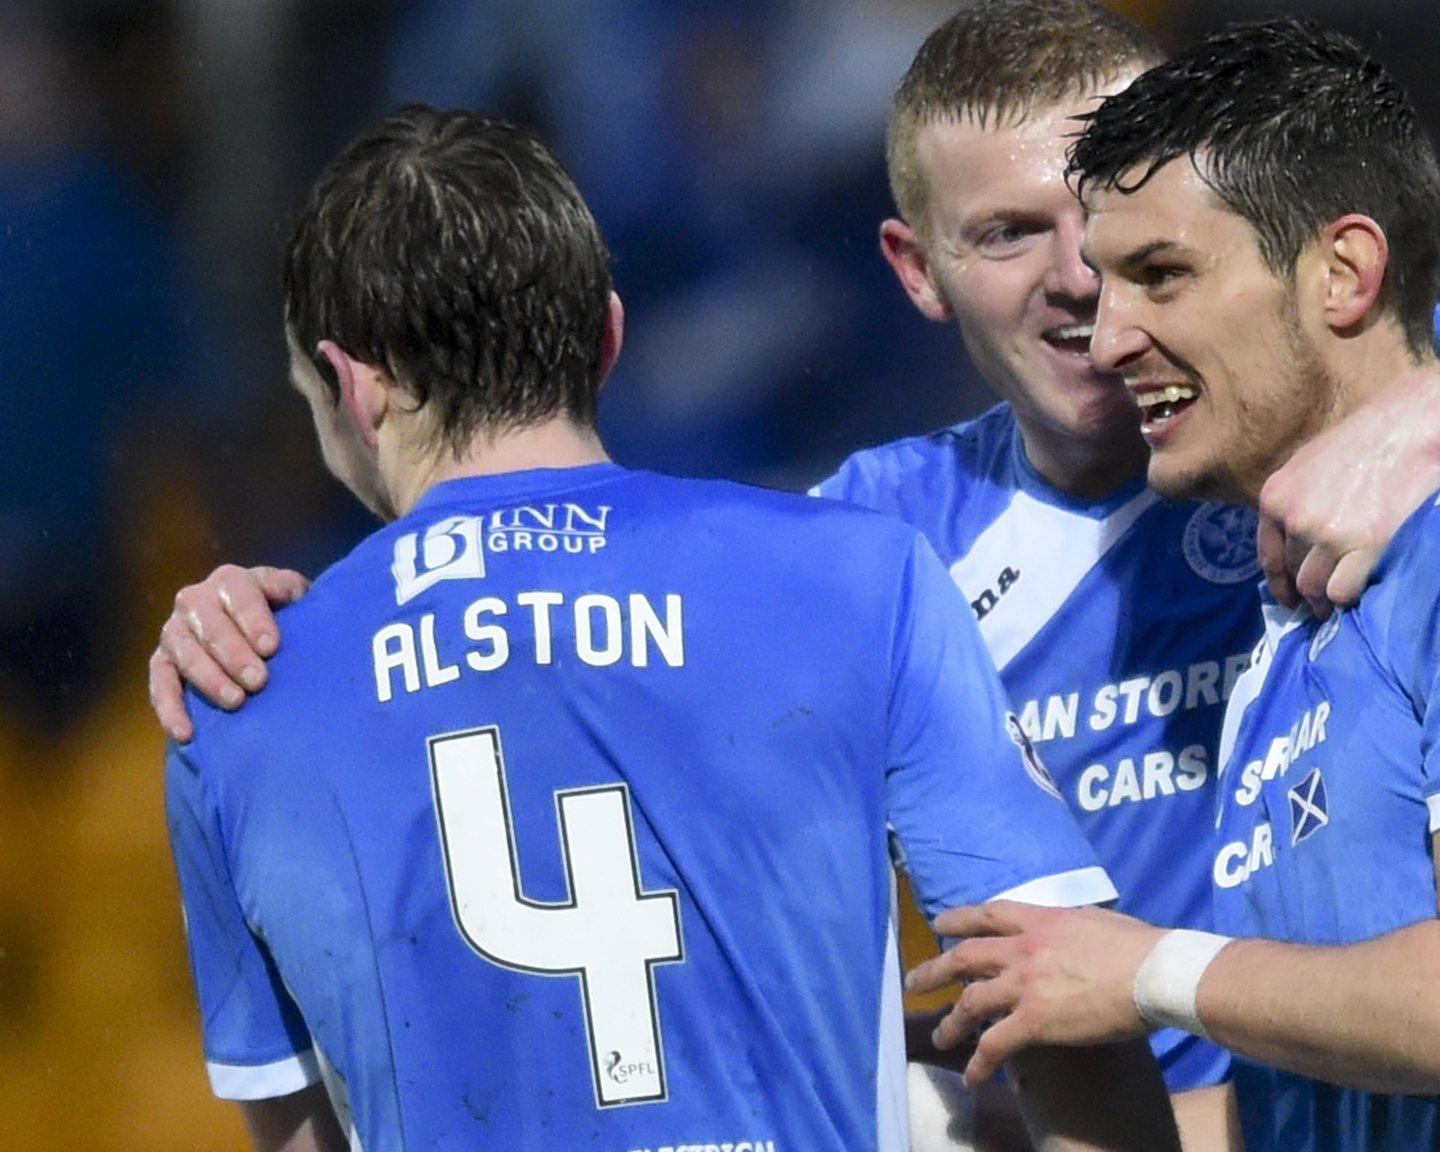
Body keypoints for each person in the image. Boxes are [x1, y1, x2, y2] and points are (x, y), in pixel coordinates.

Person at [150, 4, 1440, 1149]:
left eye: (1128, 239)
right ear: (911, 269)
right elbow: (584, 623)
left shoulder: (1431, 435)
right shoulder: (872, 547)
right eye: (1012, 236)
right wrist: (266, 621)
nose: (1083, 287)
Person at [163, 105, 1178, 1152]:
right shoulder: (853, 575)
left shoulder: (235, 695)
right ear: (606, 337)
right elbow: (1057, 999)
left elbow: (301, 1137)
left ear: (352, 384)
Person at [905, 18, 1440, 1151]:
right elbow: (1333, 1111)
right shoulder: (1293, 614)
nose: (1104, 332)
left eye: (1157, 275)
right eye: (1016, 236)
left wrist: (1147, 973)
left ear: (1344, 272)